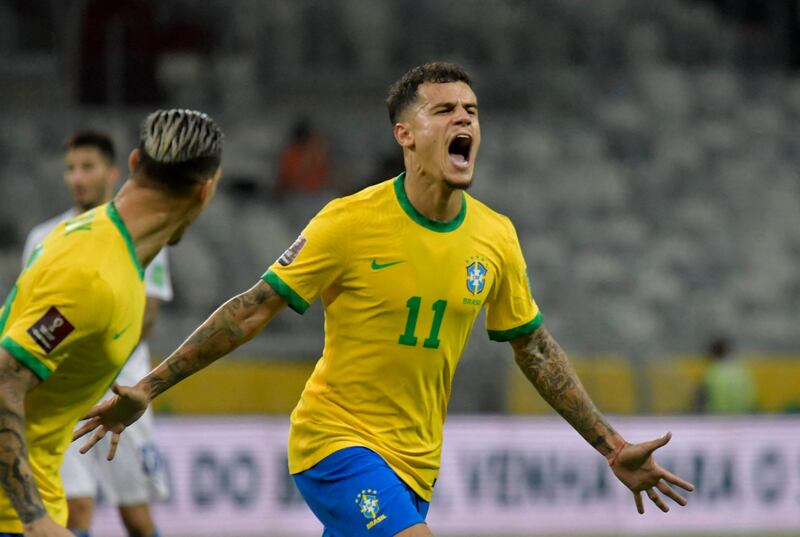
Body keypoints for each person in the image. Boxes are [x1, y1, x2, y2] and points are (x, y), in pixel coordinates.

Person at [76, 63, 694, 537]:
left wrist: (612, 446)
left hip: (417, 463)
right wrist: (150, 387)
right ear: (405, 133)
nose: (464, 122)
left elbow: (533, 348)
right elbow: (252, 307)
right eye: (445, 110)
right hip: (334, 444)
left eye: (472, 112)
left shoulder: (496, 237)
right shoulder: (348, 223)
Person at [0, 109, 223, 537]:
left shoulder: (122, 260)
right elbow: (4, 380)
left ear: (134, 163)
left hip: (38, 494)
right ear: (204, 191)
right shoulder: (91, 273)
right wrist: (34, 520)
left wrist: (140, 392)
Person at [21, 131, 173, 537]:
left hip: (125, 388)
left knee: (136, 517)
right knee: (76, 508)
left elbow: (146, 316)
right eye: (71, 168)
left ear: (112, 172)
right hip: (64, 392)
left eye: (87, 167)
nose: (77, 178)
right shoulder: (43, 238)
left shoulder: (145, 237)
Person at [695, 336, 757, 414]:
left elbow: (702, 400)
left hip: (717, 420)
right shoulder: (741, 371)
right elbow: (752, 399)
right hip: (742, 419)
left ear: (712, 353)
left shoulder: (713, 373)